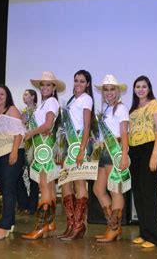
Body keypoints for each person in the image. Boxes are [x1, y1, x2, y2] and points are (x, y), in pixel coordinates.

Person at [22, 71, 65, 240]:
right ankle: (49, 223)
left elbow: (47, 125)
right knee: (49, 187)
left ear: (54, 87)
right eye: (42, 85)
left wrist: (30, 133)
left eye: (48, 84)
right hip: (43, 148)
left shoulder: (51, 102)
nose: (45, 87)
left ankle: (40, 227)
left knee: (44, 187)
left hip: (44, 150)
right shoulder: (44, 103)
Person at [0, 84, 26, 240]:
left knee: (8, 189)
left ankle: (5, 226)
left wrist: (14, 151)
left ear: (7, 95)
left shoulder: (12, 110)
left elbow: (18, 133)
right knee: (5, 188)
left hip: (11, 152)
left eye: (2, 94)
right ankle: (10, 222)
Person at [93, 74, 130, 243]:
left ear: (118, 91)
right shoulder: (107, 109)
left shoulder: (120, 109)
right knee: (98, 189)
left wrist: (123, 155)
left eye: (112, 89)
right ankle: (113, 226)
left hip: (114, 150)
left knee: (115, 190)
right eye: (106, 90)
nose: (109, 92)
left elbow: (124, 133)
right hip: (104, 151)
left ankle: (114, 229)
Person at [128, 75, 157, 248]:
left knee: (148, 193)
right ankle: (144, 233)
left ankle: (154, 237)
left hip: (150, 149)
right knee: (138, 193)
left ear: (149, 88)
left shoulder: (154, 104)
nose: (140, 89)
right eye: (137, 86)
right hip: (134, 151)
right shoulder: (133, 109)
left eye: (144, 86)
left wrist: (155, 154)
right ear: (134, 90)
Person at [58, 70, 94, 240]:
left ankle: (78, 225)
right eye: (76, 81)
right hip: (69, 146)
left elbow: (87, 126)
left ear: (87, 84)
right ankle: (71, 224)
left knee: (80, 184)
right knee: (65, 184)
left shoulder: (86, 99)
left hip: (79, 144)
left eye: (82, 81)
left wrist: (81, 150)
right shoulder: (72, 100)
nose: (78, 84)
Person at [17, 89, 39, 215]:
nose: (24, 97)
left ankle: (32, 206)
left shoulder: (39, 110)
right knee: (17, 174)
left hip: (35, 145)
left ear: (32, 97)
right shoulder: (22, 111)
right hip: (23, 144)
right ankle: (23, 202)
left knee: (33, 177)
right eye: (23, 94)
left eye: (26, 94)